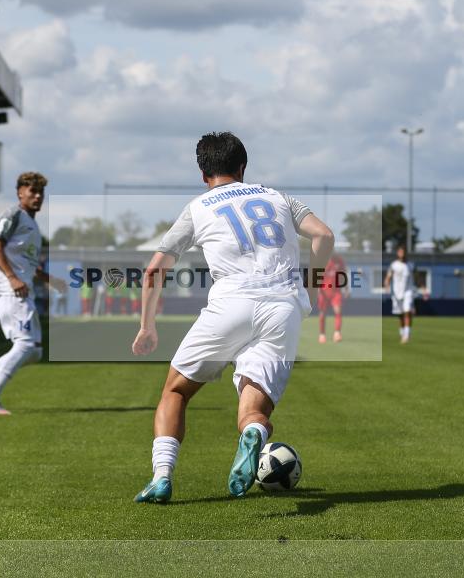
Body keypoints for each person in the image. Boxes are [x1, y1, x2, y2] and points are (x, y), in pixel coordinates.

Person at [131, 132, 334, 503]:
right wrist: (312, 287)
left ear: (203, 173)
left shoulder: (198, 207)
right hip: (283, 308)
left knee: (176, 391)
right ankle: (253, 433)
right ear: (242, 167)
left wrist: (147, 326)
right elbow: (323, 235)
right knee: (253, 411)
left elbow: (154, 270)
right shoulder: (278, 197)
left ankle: (162, 476)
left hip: (230, 305)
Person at [0, 172, 65, 415]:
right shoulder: (13, 215)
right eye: (32, 191)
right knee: (25, 344)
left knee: (34, 351)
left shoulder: (32, 224)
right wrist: (12, 278)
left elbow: (26, 263)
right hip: (10, 289)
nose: (38, 196)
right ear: (20, 193)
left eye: (41, 192)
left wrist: (49, 279)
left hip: (20, 288)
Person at [384, 246, 415, 344]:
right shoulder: (394, 265)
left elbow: (417, 277)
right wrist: (387, 285)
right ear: (397, 253)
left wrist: (423, 288)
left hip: (408, 291)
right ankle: (402, 333)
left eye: (404, 251)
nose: (402, 253)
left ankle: (407, 335)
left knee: (407, 311)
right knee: (400, 315)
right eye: (400, 251)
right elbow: (388, 277)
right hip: (397, 293)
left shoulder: (411, 265)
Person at [317, 253, 349, 343]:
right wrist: (318, 289)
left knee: (338, 311)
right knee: (322, 313)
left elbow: (343, 275)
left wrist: (346, 288)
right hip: (324, 292)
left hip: (336, 291)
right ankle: (322, 334)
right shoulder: (322, 260)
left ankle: (337, 333)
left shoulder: (340, 261)